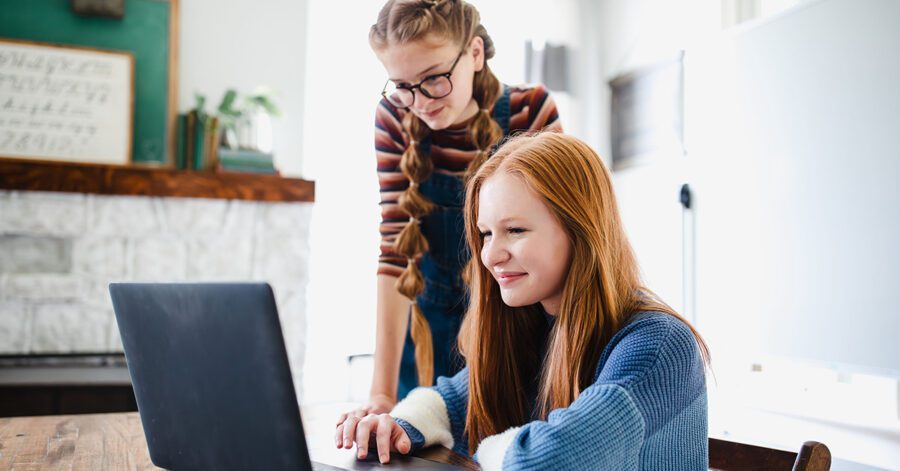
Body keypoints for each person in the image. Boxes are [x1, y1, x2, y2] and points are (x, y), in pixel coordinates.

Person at [335, 132, 710, 470]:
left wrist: (488, 450)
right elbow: (449, 400)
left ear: (580, 230)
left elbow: (551, 460)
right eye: (485, 233)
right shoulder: (534, 321)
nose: (490, 255)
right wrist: (395, 427)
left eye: (514, 230)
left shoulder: (660, 344)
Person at [353, 0, 564, 421]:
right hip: (428, 339)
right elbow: (396, 254)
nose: (420, 101)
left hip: (513, 335)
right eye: (402, 85)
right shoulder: (394, 119)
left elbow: (560, 241)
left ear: (474, 53)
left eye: (433, 78)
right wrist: (380, 394)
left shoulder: (530, 110)